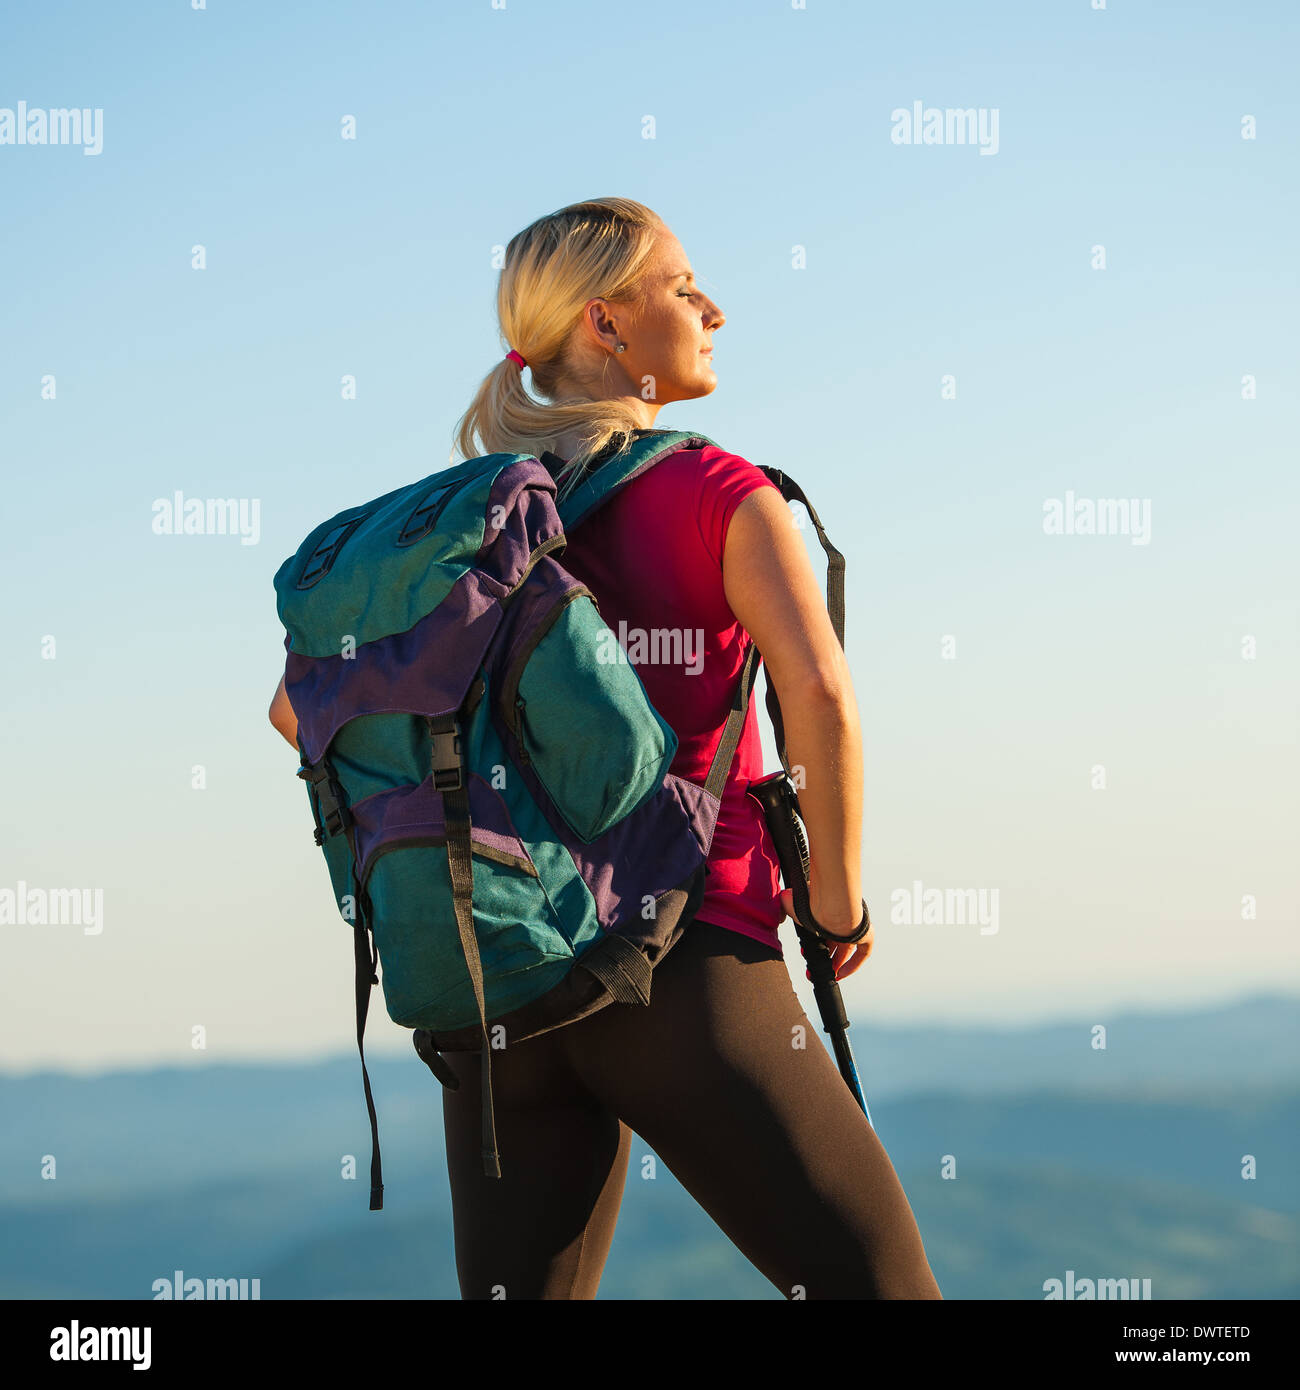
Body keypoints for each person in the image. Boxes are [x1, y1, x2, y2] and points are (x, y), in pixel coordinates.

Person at [268, 197, 942, 1301]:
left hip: (501, 987)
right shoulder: (719, 490)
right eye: (683, 288)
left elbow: (300, 712)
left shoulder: (461, 528)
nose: (713, 307)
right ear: (610, 325)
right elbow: (817, 690)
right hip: (684, 964)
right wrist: (836, 901)